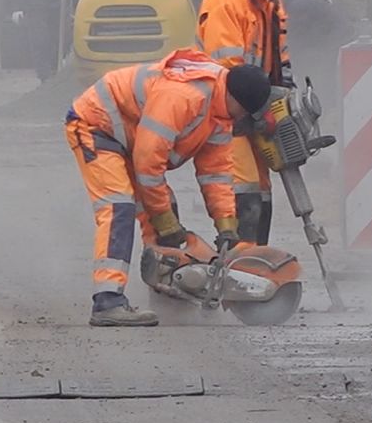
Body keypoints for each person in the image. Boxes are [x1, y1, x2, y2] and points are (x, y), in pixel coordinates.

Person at [65, 50, 275, 326]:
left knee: (164, 214)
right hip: (95, 126)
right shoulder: (185, 96)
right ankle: (107, 302)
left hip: (129, 141)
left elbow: (216, 175)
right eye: (246, 114)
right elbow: (148, 165)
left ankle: (166, 294)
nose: (244, 122)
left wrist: (227, 228)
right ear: (238, 102)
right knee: (119, 208)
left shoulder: (219, 113)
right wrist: (165, 220)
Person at [196, 0, 297, 245]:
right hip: (229, 110)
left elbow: (278, 56)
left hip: (255, 107)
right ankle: (238, 266)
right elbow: (227, 71)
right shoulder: (226, 2)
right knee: (244, 187)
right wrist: (257, 110)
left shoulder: (269, 1)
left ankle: (257, 259)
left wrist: (282, 99)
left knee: (262, 189)